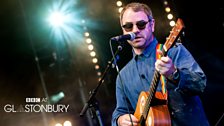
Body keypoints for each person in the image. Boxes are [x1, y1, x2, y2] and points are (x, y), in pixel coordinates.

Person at [111, 2, 210, 126]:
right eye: (128, 26)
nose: (135, 30)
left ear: (151, 25)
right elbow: (120, 111)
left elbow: (200, 84)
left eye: (141, 24)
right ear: (123, 30)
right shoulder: (123, 76)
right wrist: (119, 120)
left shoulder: (174, 51)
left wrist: (174, 73)